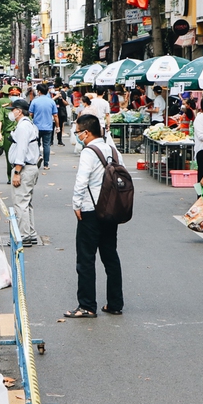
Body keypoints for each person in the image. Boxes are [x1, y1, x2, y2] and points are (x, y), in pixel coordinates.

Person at [64, 114, 124, 318]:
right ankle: (115, 303)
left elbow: (82, 181)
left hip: (90, 211)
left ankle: (87, 306)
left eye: (78, 132)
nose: (77, 136)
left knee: (86, 259)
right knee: (110, 256)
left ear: (86, 132)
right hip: (111, 211)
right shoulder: (113, 150)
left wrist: (76, 204)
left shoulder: (89, 152)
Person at [9, 98, 41, 247]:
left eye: (13, 109)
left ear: (19, 111)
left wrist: (17, 171)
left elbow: (21, 150)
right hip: (31, 167)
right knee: (26, 202)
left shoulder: (23, 127)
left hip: (24, 168)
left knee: (20, 202)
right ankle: (30, 233)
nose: (11, 112)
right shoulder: (29, 125)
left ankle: (23, 235)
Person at [0, 85, 20, 183]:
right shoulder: (5, 108)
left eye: (16, 95)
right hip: (8, 136)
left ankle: (18, 174)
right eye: (13, 95)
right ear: (9, 96)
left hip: (20, 135)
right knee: (9, 157)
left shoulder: (23, 108)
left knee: (20, 156)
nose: (14, 96)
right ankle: (10, 177)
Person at [29, 84, 59, 170]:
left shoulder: (35, 101)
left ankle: (38, 156)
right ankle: (46, 164)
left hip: (36, 127)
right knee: (47, 145)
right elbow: (55, 116)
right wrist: (57, 127)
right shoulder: (51, 102)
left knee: (36, 144)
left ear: (39, 91)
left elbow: (30, 114)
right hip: (48, 127)